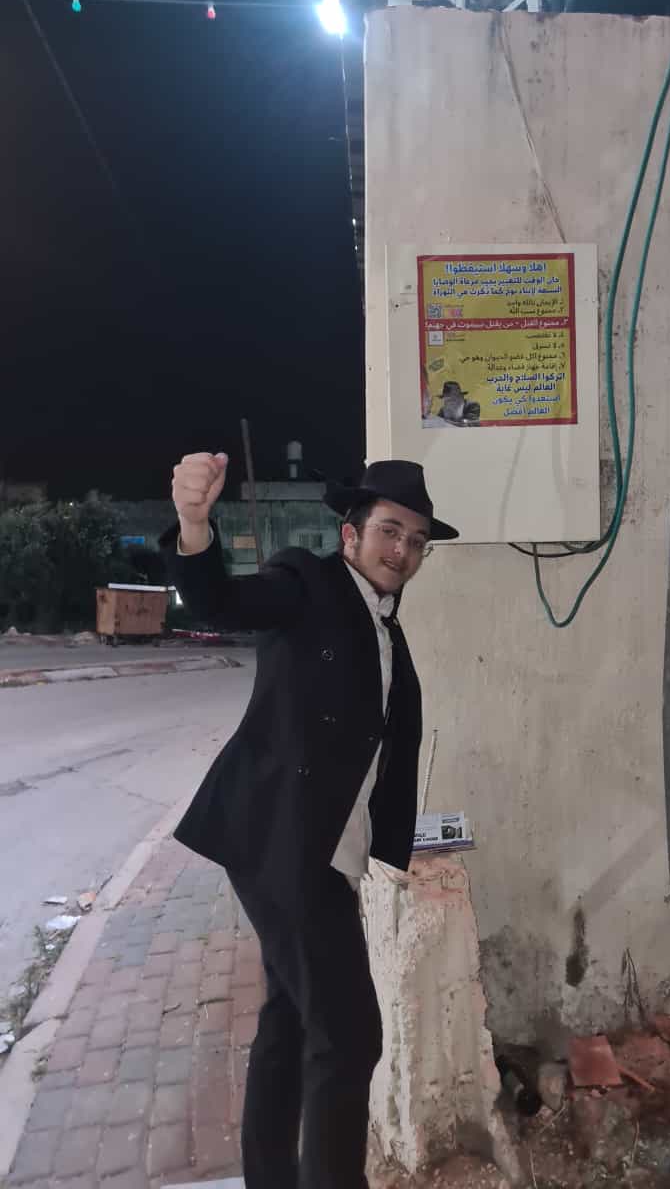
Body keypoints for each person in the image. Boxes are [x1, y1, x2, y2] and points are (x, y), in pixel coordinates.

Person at [161, 452, 458, 1189]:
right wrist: (195, 525)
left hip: (321, 851)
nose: (403, 551)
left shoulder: (389, 631)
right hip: (282, 842)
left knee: (291, 1021)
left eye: (417, 540)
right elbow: (222, 603)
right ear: (350, 534)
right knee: (350, 1037)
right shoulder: (307, 582)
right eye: (390, 531)